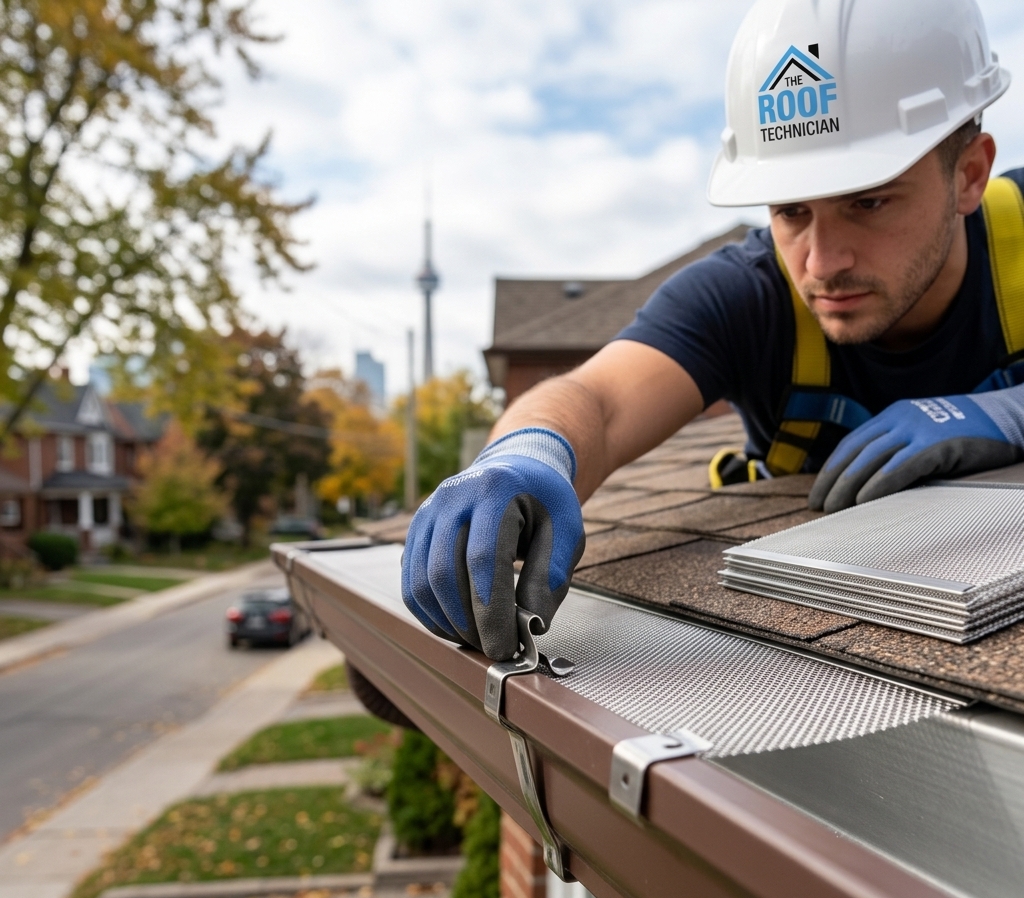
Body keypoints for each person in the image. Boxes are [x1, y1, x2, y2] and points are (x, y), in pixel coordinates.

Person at [403, 0, 1024, 661]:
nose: (820, 262)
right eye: (790, 210)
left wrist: (1011, 415)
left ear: (969, 175)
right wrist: (525, 457)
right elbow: (601, 401)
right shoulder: (745, 296)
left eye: (868, 201)